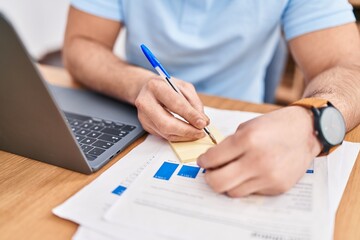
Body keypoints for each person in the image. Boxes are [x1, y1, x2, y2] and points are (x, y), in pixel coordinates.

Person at [64, 0, 360, 197]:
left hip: (243, 123)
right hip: (135, 121)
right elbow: (81, 44)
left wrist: (310, 123)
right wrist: (137, 83)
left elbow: (351, 68)